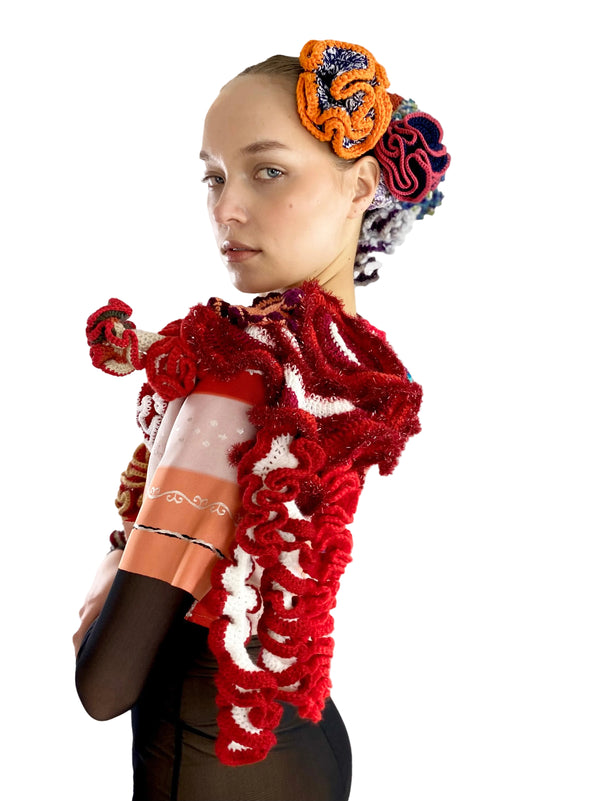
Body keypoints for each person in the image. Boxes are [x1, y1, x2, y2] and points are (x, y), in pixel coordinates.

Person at [74, 39, 450, 801]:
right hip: (305, 747)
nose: (227, 208)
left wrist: (108, 573)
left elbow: (104, 684)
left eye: (267, 170)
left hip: (215, 756)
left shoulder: (240, 373)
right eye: (213, 176)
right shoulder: (350, 358)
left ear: (362, 186)